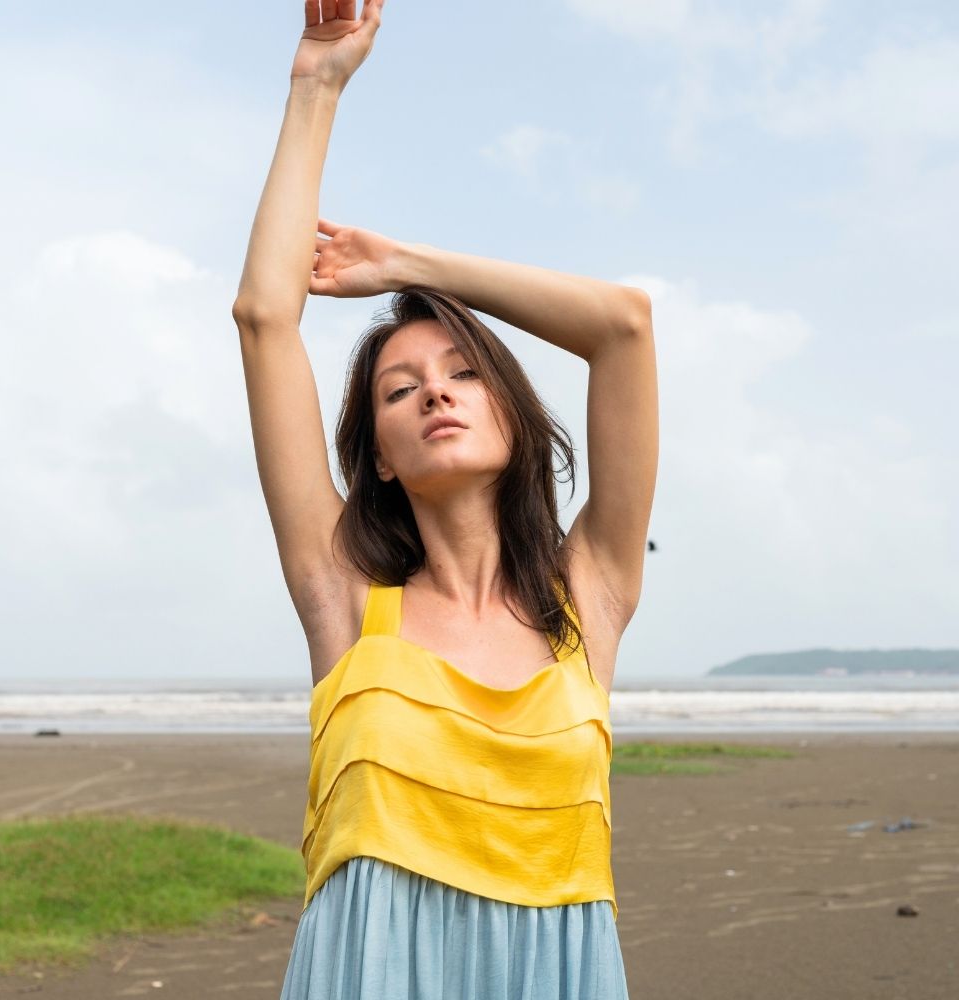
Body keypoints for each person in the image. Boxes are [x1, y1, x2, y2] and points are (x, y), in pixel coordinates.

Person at [232, 1, 657, 997]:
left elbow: (623, 329)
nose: (433, 390)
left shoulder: (587, 594)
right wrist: (317, 85)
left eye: (463, 372)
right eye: (397, 386)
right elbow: (263, 318)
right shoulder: (342, 593)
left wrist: (408, 269)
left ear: (508, 412)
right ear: (376, 454)